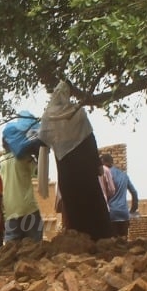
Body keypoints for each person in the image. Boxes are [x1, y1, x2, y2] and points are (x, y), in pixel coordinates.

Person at [38, 82, 113, 240]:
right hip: (85, 168)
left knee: (74, 205)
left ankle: (81, 240)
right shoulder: (77, 112)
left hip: (66, 170)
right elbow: (90, 139)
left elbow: (43, 142)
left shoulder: (48, 117)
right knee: (92, 203)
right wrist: (97, 164)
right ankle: (101, 239)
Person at [1, 110, 43, 243]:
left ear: (4, 144)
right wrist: (38, 155)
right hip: (28, 208)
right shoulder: (25, 158)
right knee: (35, 246)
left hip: (9, 211)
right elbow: (38, 172)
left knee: (11, 249)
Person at [101, 153, 140, 238]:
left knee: (113, 244)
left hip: (111, 213)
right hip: (124, 213)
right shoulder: (124, 175)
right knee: (123, 242)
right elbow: (134, 192)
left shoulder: (105, 175)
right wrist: (133, 210)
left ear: (103, 163)